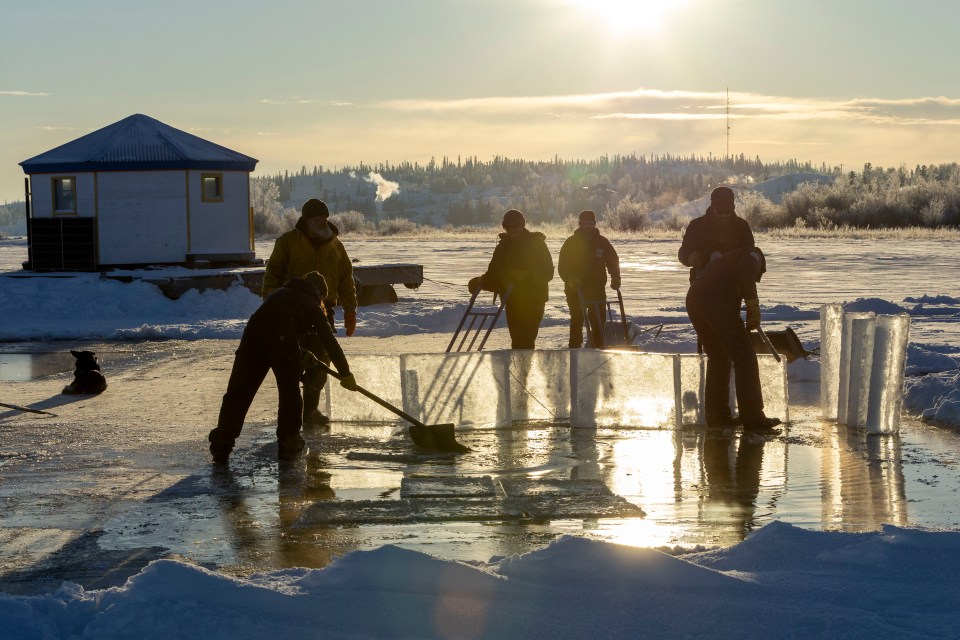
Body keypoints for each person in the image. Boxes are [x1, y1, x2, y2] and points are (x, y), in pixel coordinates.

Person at [209, 272, 358, 464]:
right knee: (290, 393)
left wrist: (298, 350)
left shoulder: (281, 294)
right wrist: (345, 373)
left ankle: (222, 442)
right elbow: (328, 341)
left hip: (252, 337)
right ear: (319, 294)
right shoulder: (311, 301)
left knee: (239, 391)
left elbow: (282, 326)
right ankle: (289, 442)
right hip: (281, 338)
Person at [262, 198, 358, 427]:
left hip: (325, 311)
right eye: (317, 219)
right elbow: (272, 275)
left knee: (321, 363)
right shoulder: (287, 242)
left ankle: (311, 411)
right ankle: (292, 412)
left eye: (325, 219)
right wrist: (272, 305)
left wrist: (350, 309)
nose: (322, 222)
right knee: (292, 365)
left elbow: (346, 277)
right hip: (291, 312)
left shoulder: (336, 245)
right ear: (306, 220)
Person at [685, 245, 781, 431]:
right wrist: (753, 305)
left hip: (695, 301)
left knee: (719, 357)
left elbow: (731, 289)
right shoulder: (753, 254)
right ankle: (753, 418)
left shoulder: (727, 260)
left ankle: (717, 416)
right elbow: (745, 274)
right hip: (714, 301)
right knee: (744, 356)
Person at [468, 209, 554, 349]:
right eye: (507, 226)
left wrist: (526, 275)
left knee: (525, 341)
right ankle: (519, 369)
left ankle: (523, 368)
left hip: (533, 300)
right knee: (516, 341)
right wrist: (482, 281)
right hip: (511, 300)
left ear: (522, 225)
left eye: (515, 226)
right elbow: (495, 273)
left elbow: (547, 272)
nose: (511, 229)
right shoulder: (502, 247)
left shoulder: (536, 244)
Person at [557, 209, 621, 348]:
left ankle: (598, 349)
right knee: (577, 319)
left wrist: (615, 276)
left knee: (598, 321)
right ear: (580, 224)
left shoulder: (602, 242)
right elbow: (563, 266)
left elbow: (612, 260)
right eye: (585, 223)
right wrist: (570, 279)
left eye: (591, 223)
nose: (588, 226)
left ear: (594, 224)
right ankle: (575, 349)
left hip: (596, 289)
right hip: (576, 289)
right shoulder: (571, 243)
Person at [678, 186, 754, 283]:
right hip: (701, 284)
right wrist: (689, 258)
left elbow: (750, 254)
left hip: (733, 285)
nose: (724, 215)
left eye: (728, 212)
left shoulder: (742, 227)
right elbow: (683, 251)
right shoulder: (696, 226)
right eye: (720, 212)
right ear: (712, 207)